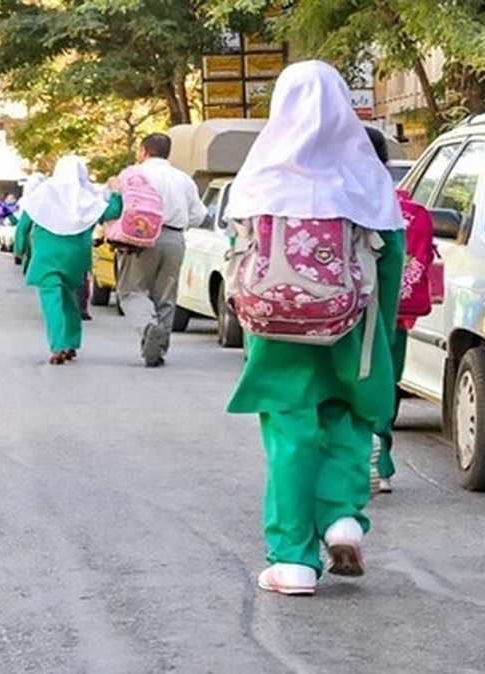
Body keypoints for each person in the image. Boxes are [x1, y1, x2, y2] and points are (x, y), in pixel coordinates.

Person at [224, 61, 405, 596]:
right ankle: (342, 517)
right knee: (349, 420)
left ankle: (293, 561)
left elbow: (239, 263)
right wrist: (380, 341)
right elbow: (390, 267)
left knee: (290, 434)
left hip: (278, 333)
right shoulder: (366, 180)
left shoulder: (260, 177)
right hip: (353, 328)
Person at [14, 156, 122, 364]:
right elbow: (112, 212)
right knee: (70, 297)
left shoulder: (42, 194)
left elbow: (24, 224)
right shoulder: (87, 198)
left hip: (46, 257)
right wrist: (116, 193)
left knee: (51, 300)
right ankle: (72, 343)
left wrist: (19, 250)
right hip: (75, 257)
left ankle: (58, 346)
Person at [115, 133, 206, 367]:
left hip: (140, 238)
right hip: (174, 239)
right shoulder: (183, 179)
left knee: (132, 291)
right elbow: (198, 215)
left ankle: (147, 327)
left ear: (143, 151)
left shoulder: (133, 174)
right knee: (165, 296)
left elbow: (118, 206)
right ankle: (159, 349)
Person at [365, 126, 409, 495]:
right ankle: (381, 463)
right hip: (379, 310)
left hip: (322, 312)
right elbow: (394, 257)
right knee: (381, 375)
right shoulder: (385, 193)